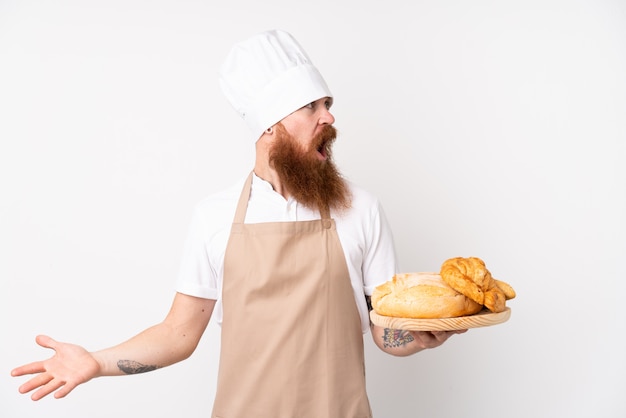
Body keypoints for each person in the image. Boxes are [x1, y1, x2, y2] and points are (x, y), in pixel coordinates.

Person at [11, 29, 465, 417]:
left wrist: (424, 336)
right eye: (311, 106)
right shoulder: (215, 217)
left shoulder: (361, 209)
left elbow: (388, 332)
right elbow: (177, 334)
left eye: (328, 103)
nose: (329, 116)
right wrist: (96, 360)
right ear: (270, 125)